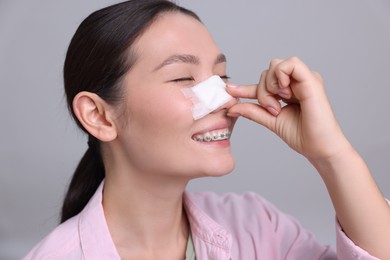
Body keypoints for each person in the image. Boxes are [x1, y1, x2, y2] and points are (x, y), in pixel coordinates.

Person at [24, 0, 390, 259]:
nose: (222, 100)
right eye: (184, 78)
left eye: (221, 77)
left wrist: (332, 154)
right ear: (99, 116)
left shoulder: (257, 227)